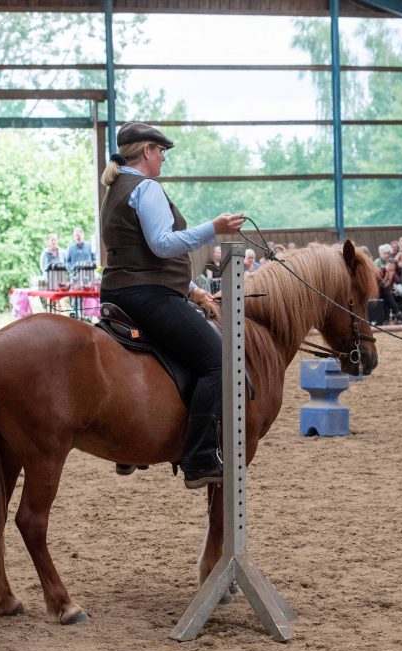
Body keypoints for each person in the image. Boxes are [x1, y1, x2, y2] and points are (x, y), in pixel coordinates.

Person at [98, 121, 244, 489]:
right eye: (161, 151)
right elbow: (163, 245)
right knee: (219, 361)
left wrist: (193, 290)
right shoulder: (146, 187)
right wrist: (214, 227)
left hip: (121, 292)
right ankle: (199, 457)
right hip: (147, 296)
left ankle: (132, 441)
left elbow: (144, 256)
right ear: (147, 151)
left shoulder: (116, 188)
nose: (163, 157)